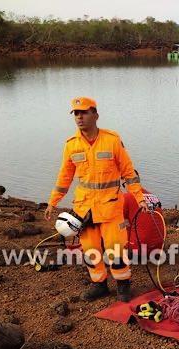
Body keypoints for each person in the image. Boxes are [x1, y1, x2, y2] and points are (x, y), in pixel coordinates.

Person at [45, 97, 148, 302]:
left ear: (96, 115)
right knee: (90, 250)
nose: (79, 117)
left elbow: (128, 172)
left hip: (110, 206)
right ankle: (99, 284)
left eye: (83, 112)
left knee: (116, 248)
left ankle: (123, 285)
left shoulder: (112, 139)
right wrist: (52, 202)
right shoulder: (71, 145)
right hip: (84, 209)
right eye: (76, 113)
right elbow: (64, 177)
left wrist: (140, 197)